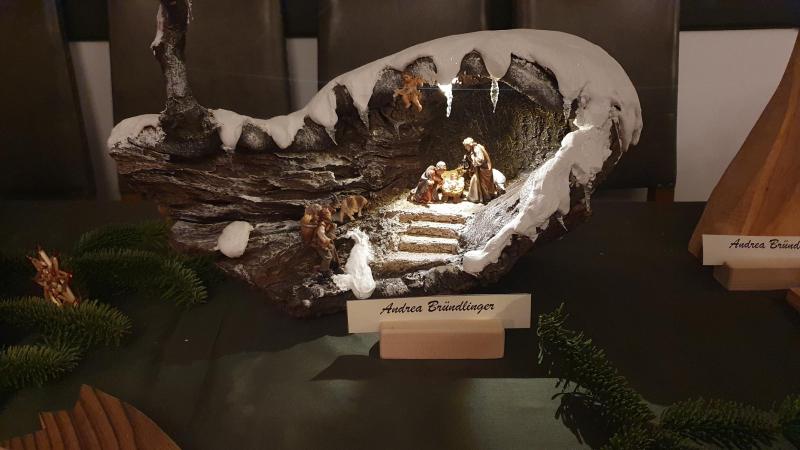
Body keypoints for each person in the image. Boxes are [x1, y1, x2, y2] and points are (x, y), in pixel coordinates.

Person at [462, 137, 497, 204]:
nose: (465, 148)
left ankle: (483, 197)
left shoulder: (477, 149)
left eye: (466, 146)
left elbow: (480, 159)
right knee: (474, 180)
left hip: (483, 169)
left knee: (478, 182)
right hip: (480, 168)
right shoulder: (474, 148)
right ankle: (477, 197)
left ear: (469, 145)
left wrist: (473, 160)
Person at [310, 207, 338, 273]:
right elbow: (320, 233)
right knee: (328, 257)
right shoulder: (322, 224)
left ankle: (333, 266)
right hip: (320, 243)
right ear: (324, 215)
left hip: (324, 242)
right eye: (328, 213)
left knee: (332, 248)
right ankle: (323, 270)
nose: (330, 213)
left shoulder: (327, 222)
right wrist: (326, 239)